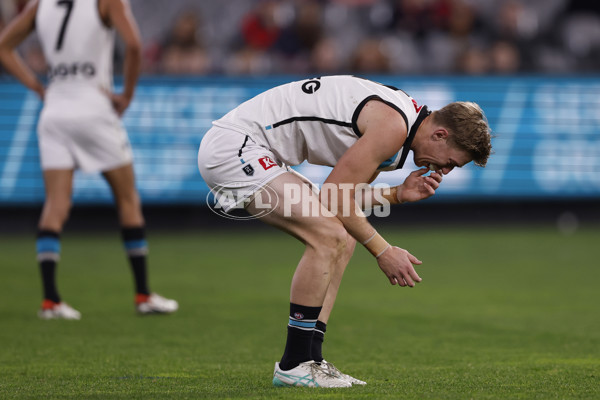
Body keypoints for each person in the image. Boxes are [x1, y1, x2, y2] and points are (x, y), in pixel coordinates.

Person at [198, 75, 492, 388]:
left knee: (344, 236)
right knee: (329, 237)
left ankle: (312, 359)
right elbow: (335, 196)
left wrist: (397, 194)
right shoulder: (393, 128)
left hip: (254, 151)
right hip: (236, 148)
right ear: (441, 134)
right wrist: (383, 251)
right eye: (450, 162)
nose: (443, 171)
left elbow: (344, 201)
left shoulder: (402, 125)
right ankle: (294, 363)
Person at [0, 0, 178, 319]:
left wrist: (38, 88)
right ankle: (142, 294)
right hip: (94, 106)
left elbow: (3, 47)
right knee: (127, 199)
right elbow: (135, 45)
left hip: (54, 109)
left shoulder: (42, 4)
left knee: (55, 205)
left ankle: (51, 301)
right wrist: (127, 95)